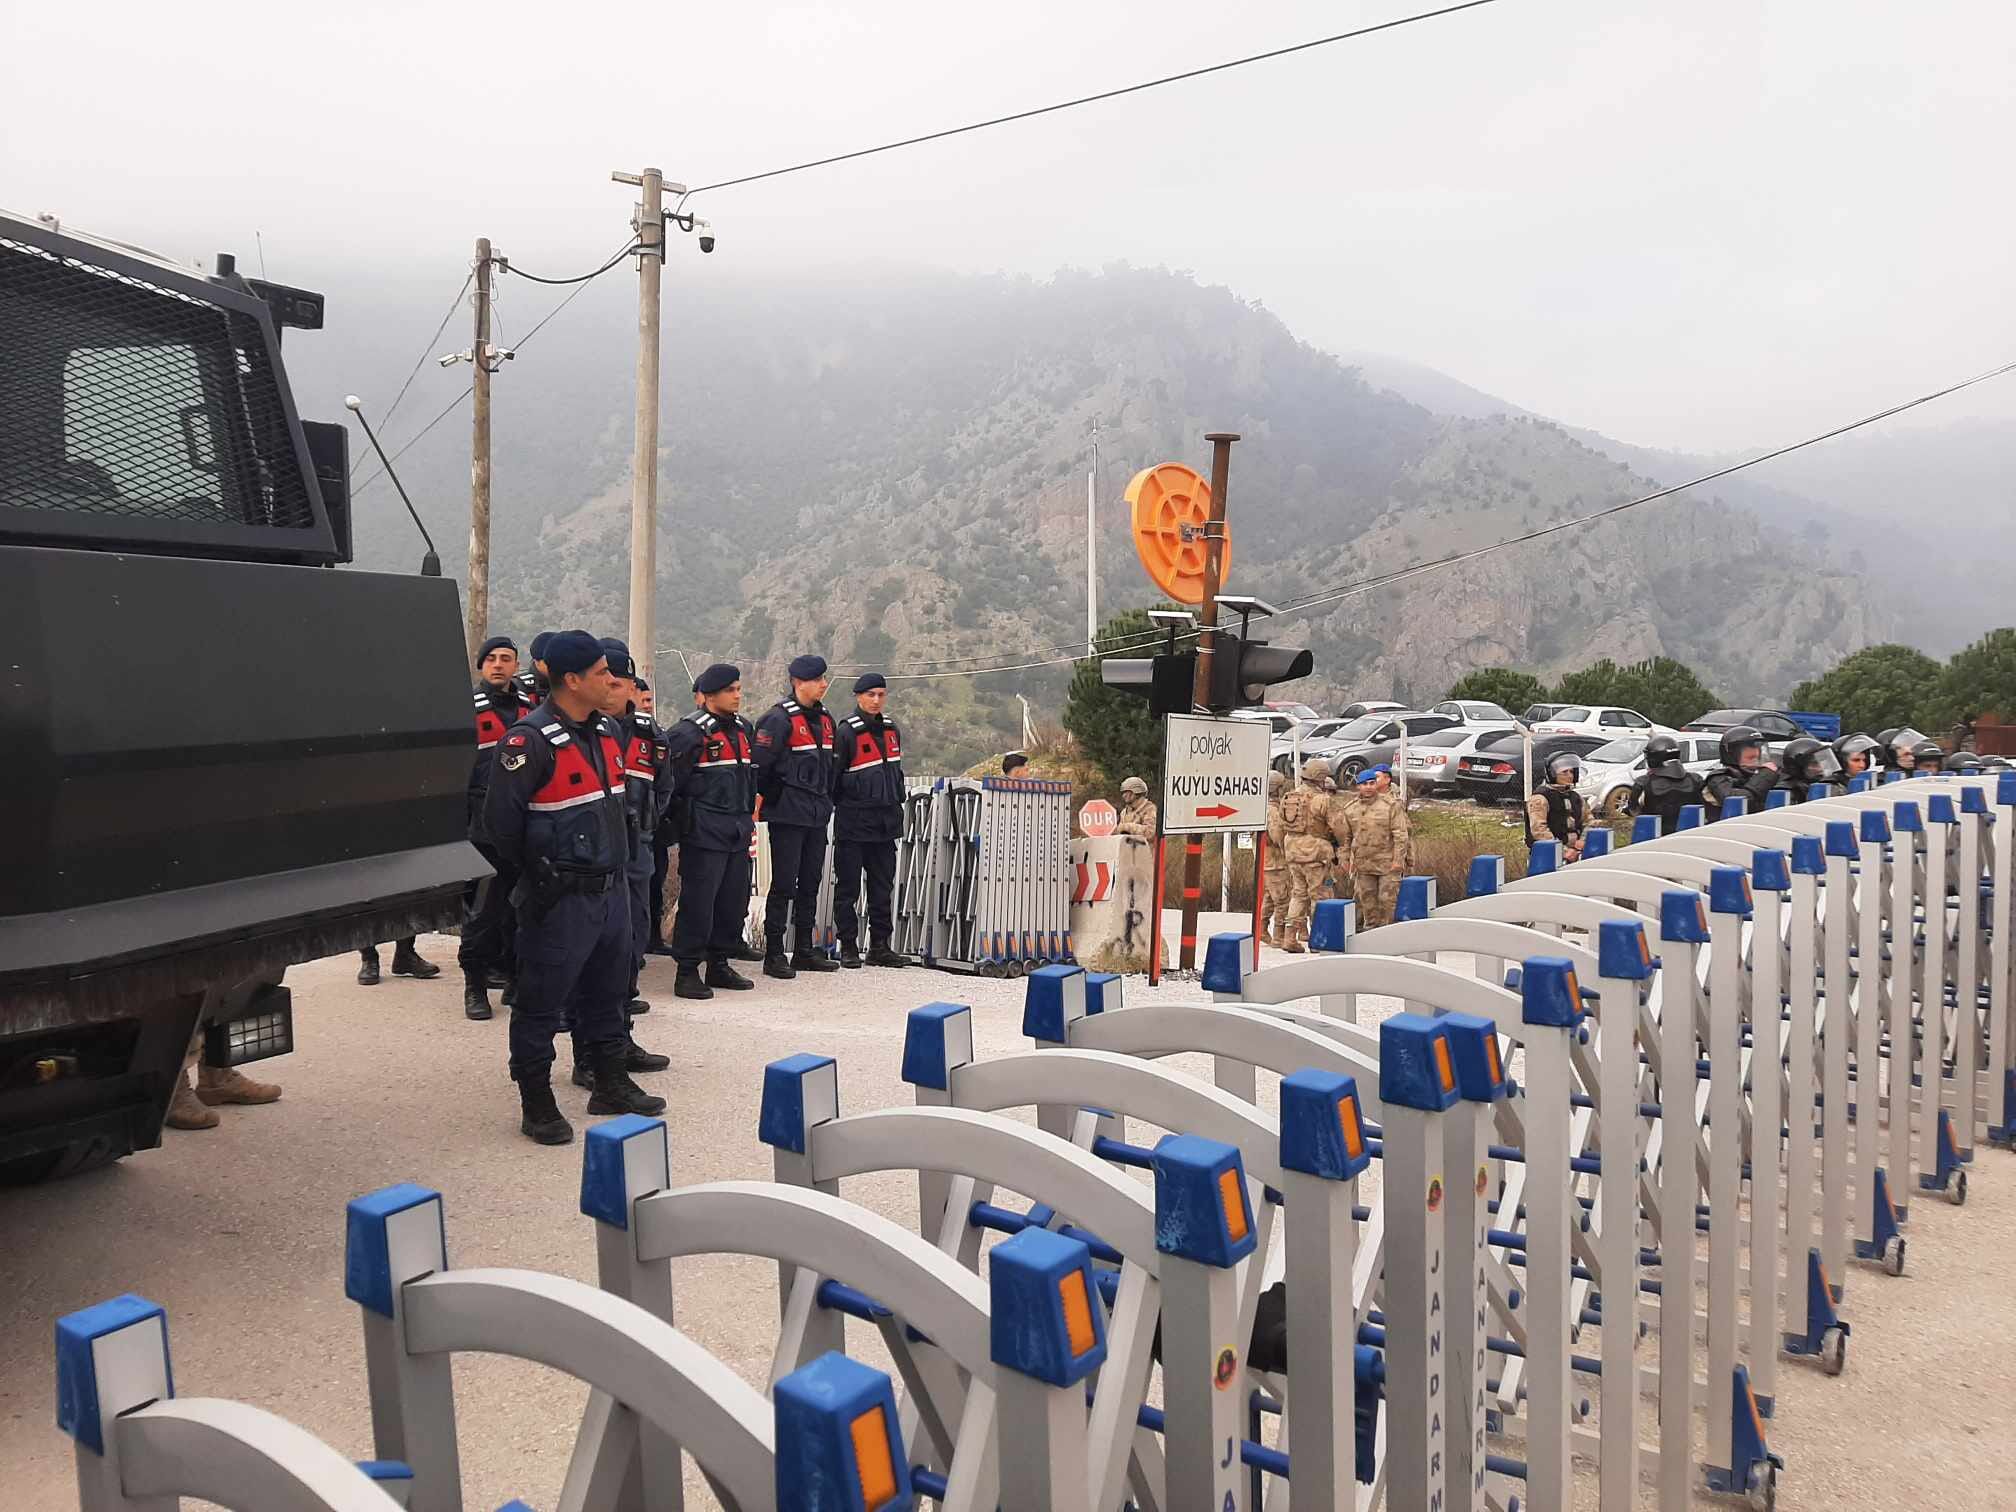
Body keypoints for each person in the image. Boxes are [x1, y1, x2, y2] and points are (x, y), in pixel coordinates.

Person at [484, 630, 666, 1145]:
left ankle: (608, 1081)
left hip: (609, 892)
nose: (612, 682)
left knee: (609, 992)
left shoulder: (607, 731)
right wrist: (538, 879)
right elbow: (499, 826)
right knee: (542, 1001)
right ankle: (536, 1100)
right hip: (559, 896)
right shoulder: (528, 741)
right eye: (603, 674)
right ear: (571, 680)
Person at [588, 638, 672, 1086]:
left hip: (636, 849)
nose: (613, 689)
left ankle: (620, 1040)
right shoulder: (583, 731)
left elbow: (664, 785)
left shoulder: (648, 731)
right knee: (591, 954)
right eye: (608, 680)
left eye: (620, 682)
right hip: (593, 858)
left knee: (629, 945)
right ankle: (589, 1055)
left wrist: (648, 827)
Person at [664, 663, 762, 1001]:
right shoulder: (688, 734)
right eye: (730, 690)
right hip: (704, 835)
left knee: (732, 903)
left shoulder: (742, 730)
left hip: (736, 832)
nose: (737, 695)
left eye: (738, 689)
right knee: (698, 904)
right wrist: (683, 828)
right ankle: (687, 970)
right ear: (708, 696)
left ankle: (719, 963)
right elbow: (670, 789)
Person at [459, 633, 536, 1020]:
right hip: (482, 826)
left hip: (522, 825)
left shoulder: (528, 706)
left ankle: (513, 980)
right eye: (492, 658)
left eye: (507, 658)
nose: (499, 664)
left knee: (518, 908)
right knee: (484, 911)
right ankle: (474, 986)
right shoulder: (466, 707)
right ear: (481, 665)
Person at [754, 654, 842, 979]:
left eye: (823, 679)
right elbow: (760, 768)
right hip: (788, 815)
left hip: (817, 815)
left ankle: (804, 949)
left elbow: (831, 768)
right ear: (798, 682)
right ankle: (775, 953)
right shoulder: (778, 719)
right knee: (783, 884)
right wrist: (775, 800)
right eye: (817, 680)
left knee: (810, 883)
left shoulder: (826, 720)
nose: (823, 685)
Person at [832, 672, 909, 968]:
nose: (876, 700)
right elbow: (834, 781)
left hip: (885, 824)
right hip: (853, 824)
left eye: (881, 694)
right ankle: (848, 946)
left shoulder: (892, 730)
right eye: (870, 695)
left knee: (882, 888)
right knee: (848, 888)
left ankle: (880, 946)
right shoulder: (846, 732)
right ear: (858, 696)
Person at [1333, 765, 1412, 929]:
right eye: (1364, 784)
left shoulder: (1390, 805)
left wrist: (1399, 860)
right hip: (1364, 865)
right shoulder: (1350, 809)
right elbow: (1345, 838)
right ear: (1358, 786)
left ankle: (1387, 935)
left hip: (1387, 863)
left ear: (1376, 784)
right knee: (1367, 903)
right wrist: (1344, 859)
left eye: (1371, 783)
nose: (1368, 787)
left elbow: (1401, 835)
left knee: (1387, 902)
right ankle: (1370, 935)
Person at [1278, 759, 1336, 953]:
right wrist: (1342, 847)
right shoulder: (1322, 799)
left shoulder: (1289, 797)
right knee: (1319, 896)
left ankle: (1289, 937)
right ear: (1320, 778)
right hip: (1315, 853)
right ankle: (1318, 940)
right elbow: (1338, 827)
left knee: (1298, 894)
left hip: (1293, 852)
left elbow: (1281, 826)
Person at [1628, 734, 1703, 834]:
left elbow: (1634, 809)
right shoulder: (1695, 779)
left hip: (1654, 839)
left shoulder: (1643, 783)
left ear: (1653, 759)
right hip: (1691, 836)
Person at [1701, 726, 1778, 817]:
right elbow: (1736, 801)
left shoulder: (1761, 775)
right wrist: (1765, 776)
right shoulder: (1718, 778)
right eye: (1751, 758)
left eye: (1758, 758)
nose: (1756, 762)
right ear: (1732, 757)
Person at [1523, 753, 1586, 860]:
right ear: (1552, 774)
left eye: (1571, 771)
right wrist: (1563, 851)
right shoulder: (1540, 798)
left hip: (1575, 853)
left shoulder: (1576, 798)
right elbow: (1539, 831)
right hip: (1547, 854)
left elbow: (1589, 821)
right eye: (1564, 772)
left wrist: (1583, 840)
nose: (1569, 775)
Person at [1261, 770, 1290, 947]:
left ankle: (1262, 929)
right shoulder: (1272, 811)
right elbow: (1277, 835)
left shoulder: (1261, 808)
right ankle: (1278, 935)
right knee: (1283, 900)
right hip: (1275, 861)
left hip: (1267, 860)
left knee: (1270, 897)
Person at [1778, 737, 1844, 802]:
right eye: (1814, 763)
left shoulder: (1833, 785)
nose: (1821, 768)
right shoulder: (1787, 792)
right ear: (1797, 768)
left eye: (1822, 761)